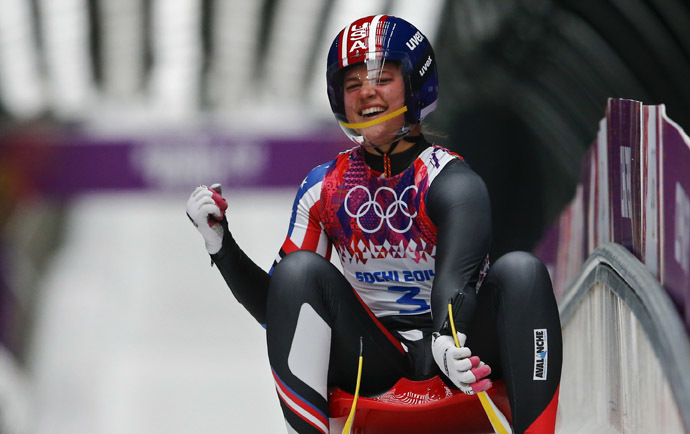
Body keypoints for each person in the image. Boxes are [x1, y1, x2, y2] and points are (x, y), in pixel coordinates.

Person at [186, 15, 562, 434]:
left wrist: (445, 339)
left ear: (415, 85)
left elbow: (458, 276)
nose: (366, 92)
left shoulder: (450, 179)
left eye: (382, 78)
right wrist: (223, 247)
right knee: (298, 270)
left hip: (460, 352)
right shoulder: (324, 186)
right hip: (374, 358)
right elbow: (281, 310)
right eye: (352, 85)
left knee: (523, 271)